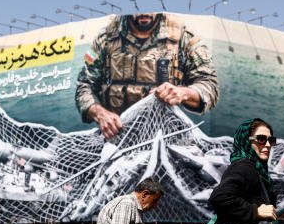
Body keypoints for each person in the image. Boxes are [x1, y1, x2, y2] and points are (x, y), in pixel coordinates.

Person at [75, 13, 219, 139]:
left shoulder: (183, 36)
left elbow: (209, 84)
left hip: (166, 136)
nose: (143, 12)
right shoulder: (105, 38)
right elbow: (84, 85)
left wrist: (184, 92)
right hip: (116, 137)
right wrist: (99, 114)